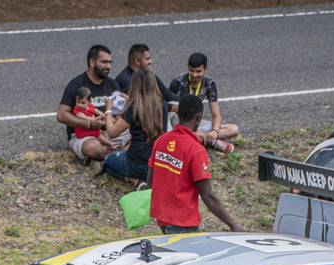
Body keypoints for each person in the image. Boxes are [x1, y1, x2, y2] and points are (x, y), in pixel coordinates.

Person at [146, 94, 243, 234]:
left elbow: (150, 181)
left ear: (178, 114)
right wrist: (233, 225)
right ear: (198, 117)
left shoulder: (161, 140)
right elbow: (208, 195)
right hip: (183, 222)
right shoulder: (196, 150)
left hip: (161, 218)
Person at [57, 44, 130, 174]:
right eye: (104, 62)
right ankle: (119, 158)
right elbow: (61, 115)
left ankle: (106, 160)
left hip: (110, 132)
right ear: (92, 62)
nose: (108, 66)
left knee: (142, 136)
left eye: (110, 62)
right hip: (85, 135)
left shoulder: (112, 84)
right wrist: (89, 124)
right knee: (93, 147)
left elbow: (119, 113)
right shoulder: (77, 85)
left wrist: (119, 117)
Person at [105, 70, 170, 189]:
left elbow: (112, 132)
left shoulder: (134, 108)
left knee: (108, 161)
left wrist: (108, 110)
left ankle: (135, 180)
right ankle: (145, 179)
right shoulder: (162, 104)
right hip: (157, 163)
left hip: (137, 163)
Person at [169, 53, 239, 153]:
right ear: (188, 67)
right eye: (191, 71)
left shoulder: (209, 83)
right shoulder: (177, 83)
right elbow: (172, 110)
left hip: (196, 122)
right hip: (180, 122)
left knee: (233, 129)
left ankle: (200, 138)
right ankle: (208, 141)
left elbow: (216, 115)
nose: (194, 75)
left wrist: (214, 131)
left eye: (198, 71)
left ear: (206, 69)